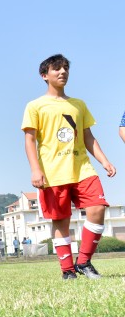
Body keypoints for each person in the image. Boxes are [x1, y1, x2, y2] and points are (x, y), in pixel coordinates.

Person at [22, 54, 116, 280]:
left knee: (98, 208)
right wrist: (36, 169)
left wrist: (104, 161)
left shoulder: (79, 104)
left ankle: (83, 262)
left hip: (82, 169)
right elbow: (29, 141)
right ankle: (67, 271)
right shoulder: (35, 106)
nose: (63, 72)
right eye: (57, 69)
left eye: (65, 68)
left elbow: (88, 137)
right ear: (44, 75)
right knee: (61, 220)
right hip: (53, 173)